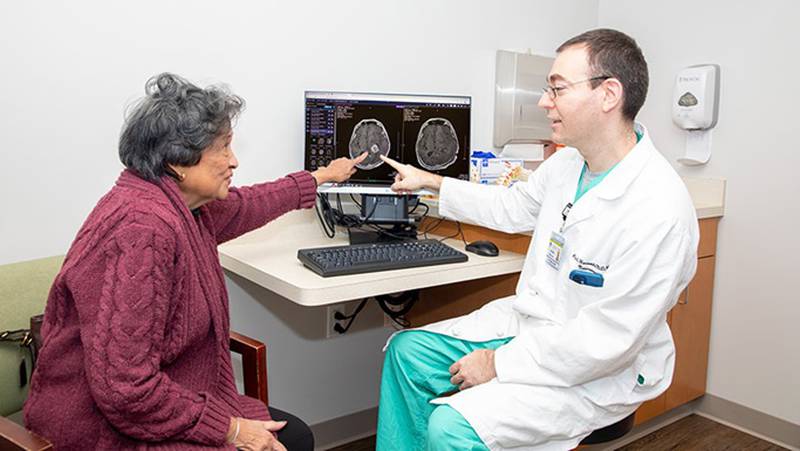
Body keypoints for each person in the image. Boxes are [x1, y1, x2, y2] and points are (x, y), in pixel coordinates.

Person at [376, 29, 699, 450]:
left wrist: (496, 363)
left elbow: (607, 343)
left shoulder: (659, 209)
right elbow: (511, 207)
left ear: (608, 94)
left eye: (557, 89)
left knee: (449, 428)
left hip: (600, 369)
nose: (545, 102)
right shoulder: (568, 165)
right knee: (407, 354)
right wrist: (432, 182)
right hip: (534, 328)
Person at [23, 73, 366, 450]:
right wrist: (232, 429)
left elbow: (250, 204)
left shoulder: (179, 205)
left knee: (294, 436)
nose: (233, 161)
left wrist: (318, 178)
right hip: (104, 430)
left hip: (163, 398)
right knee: (291, 440)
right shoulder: (143, 229)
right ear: (178, 161)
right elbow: (127, 390)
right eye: (223, 148)